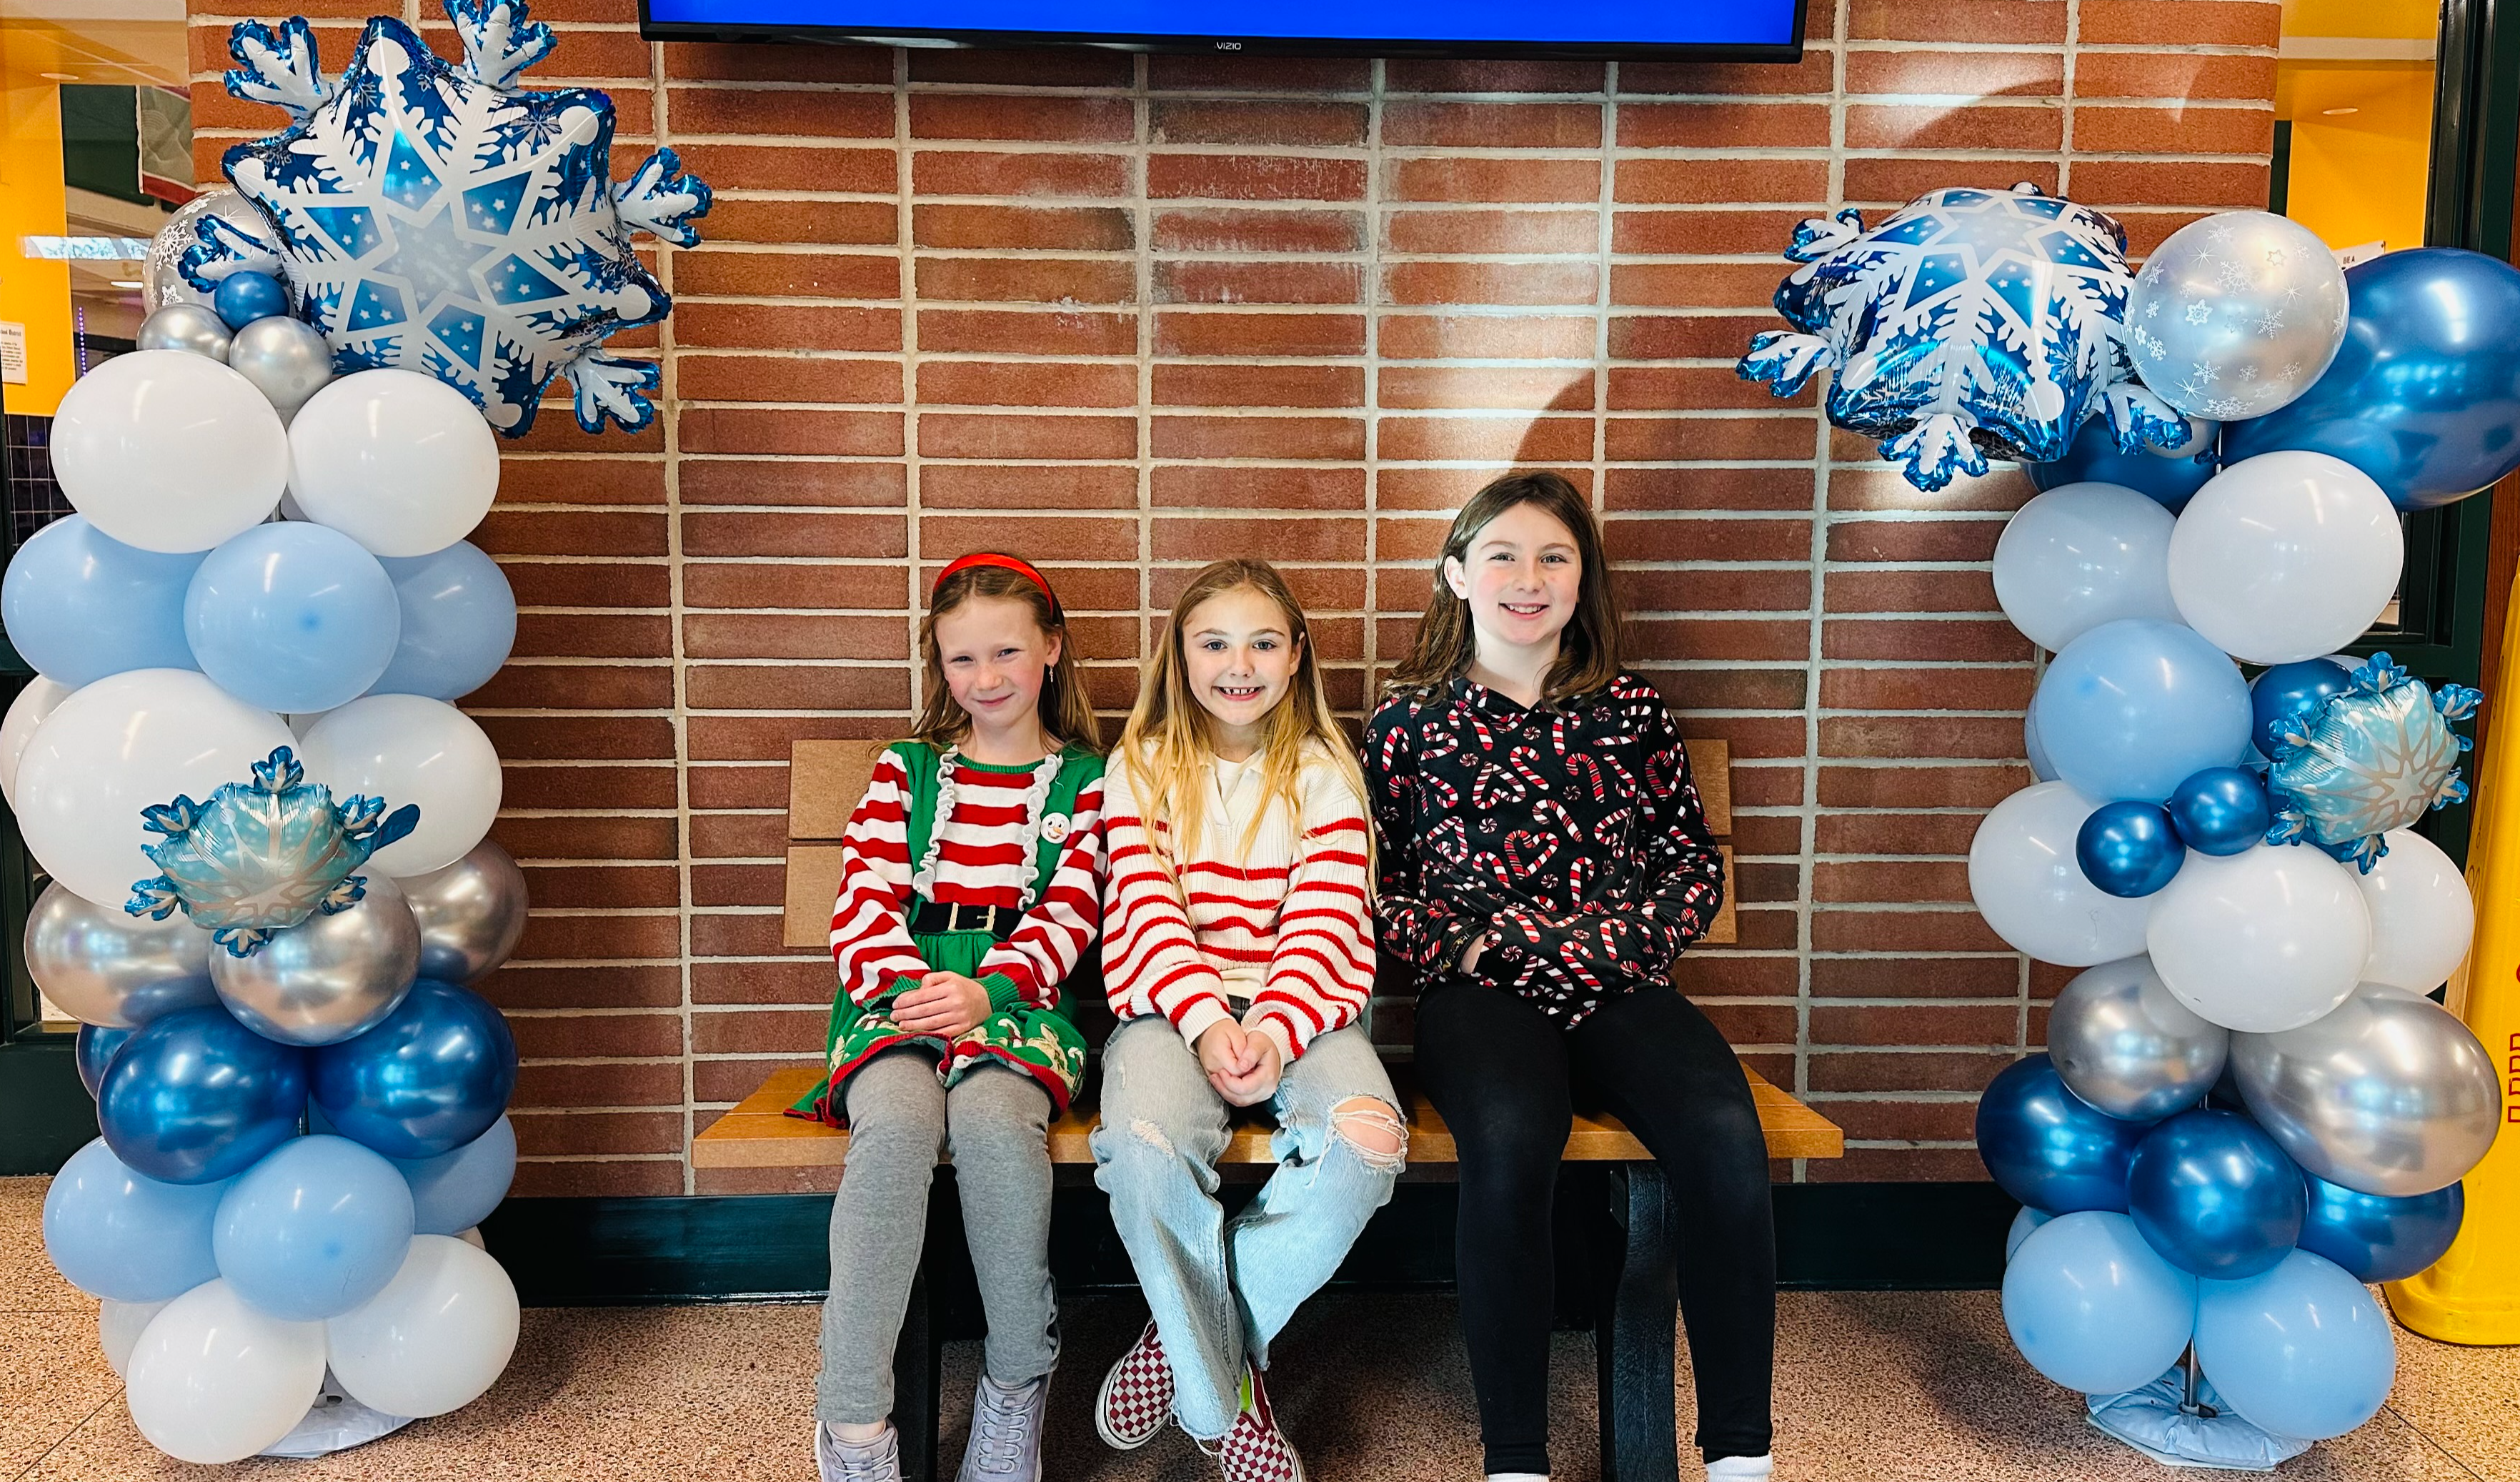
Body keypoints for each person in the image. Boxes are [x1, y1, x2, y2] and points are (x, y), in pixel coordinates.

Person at [1362, 472, 1774, 1482]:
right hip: (1481, 991)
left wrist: (1620, 945)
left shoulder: (1627, 710)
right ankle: (1514, 1458)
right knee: (1509, 1138)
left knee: (1723, 1132)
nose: (1527, 576)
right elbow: (1374, 878)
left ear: (1581, 580)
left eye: (1553, 556)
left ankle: (1737, 1451)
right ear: (1456, 573)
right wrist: (1465, 950)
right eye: (1500, 553)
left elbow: (1688, 860)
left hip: (1617, 980)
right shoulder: (1408, 719)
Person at [1089, 558, 1407, 1482]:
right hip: (1166, 1005)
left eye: (1263, 640)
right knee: (1143, 1144)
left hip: (1304, 1011)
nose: (1240, 662)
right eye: (1215, 641)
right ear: (1179, 654)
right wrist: (1201, 1019)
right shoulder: (1139, 765)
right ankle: (1219, 1402)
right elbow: (1144, 911)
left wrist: (1270, 1026)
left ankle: (1191, 1341)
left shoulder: (1322, 770)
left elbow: (1324, 915)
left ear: (1296, 653)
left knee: (1367, 1142)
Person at [799, 553, 1106, 1482]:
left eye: (1007, 651)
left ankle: (1016, 1388)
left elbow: (1071, 913)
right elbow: (862, 898)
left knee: (991, 1120)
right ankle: (853, 1421)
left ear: (1051, 648)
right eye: (961, 659)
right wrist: (911, 991)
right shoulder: (909, 770)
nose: (986, 677)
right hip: (895, 993)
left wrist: (989, 992)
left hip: (1016, 1002)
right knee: (894, 1122)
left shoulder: (1083, 781)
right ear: (940, 665)